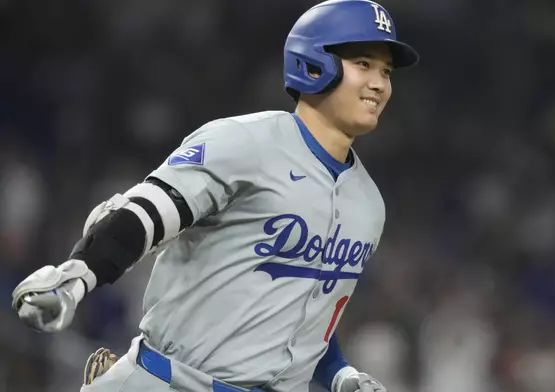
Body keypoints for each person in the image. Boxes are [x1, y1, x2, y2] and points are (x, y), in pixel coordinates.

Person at [11, 1, 419, 391]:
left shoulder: (368, 204)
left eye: (385, 72)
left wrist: (340, 375)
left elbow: (305, 320)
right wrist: (78, 275)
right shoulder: (244, 142)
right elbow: (148, 214)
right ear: (315, 63)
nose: (379, 84)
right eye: (363, 64)